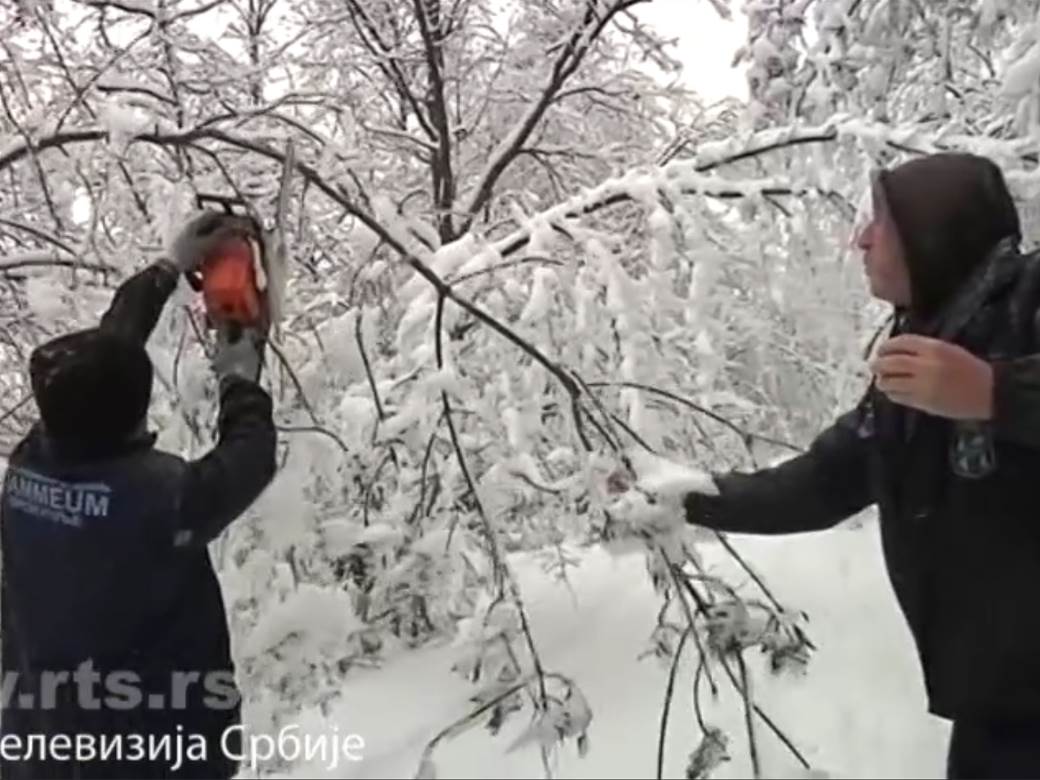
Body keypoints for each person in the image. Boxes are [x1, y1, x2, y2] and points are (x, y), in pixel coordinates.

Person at [618, 152, 1040, 779]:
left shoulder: (1030, 299)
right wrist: (688, 498)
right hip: (1001, 707)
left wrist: (996, 393)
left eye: (882, 223)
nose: (860, 240)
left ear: (933, 233)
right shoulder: (922, 350)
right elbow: (825, 481)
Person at [0, 212, 278, 779]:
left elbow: (99, 363)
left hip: (41, 741)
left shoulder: (28, 468)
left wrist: (166, 269)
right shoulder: (159, 499)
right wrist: (239, 378)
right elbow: (250, 457)